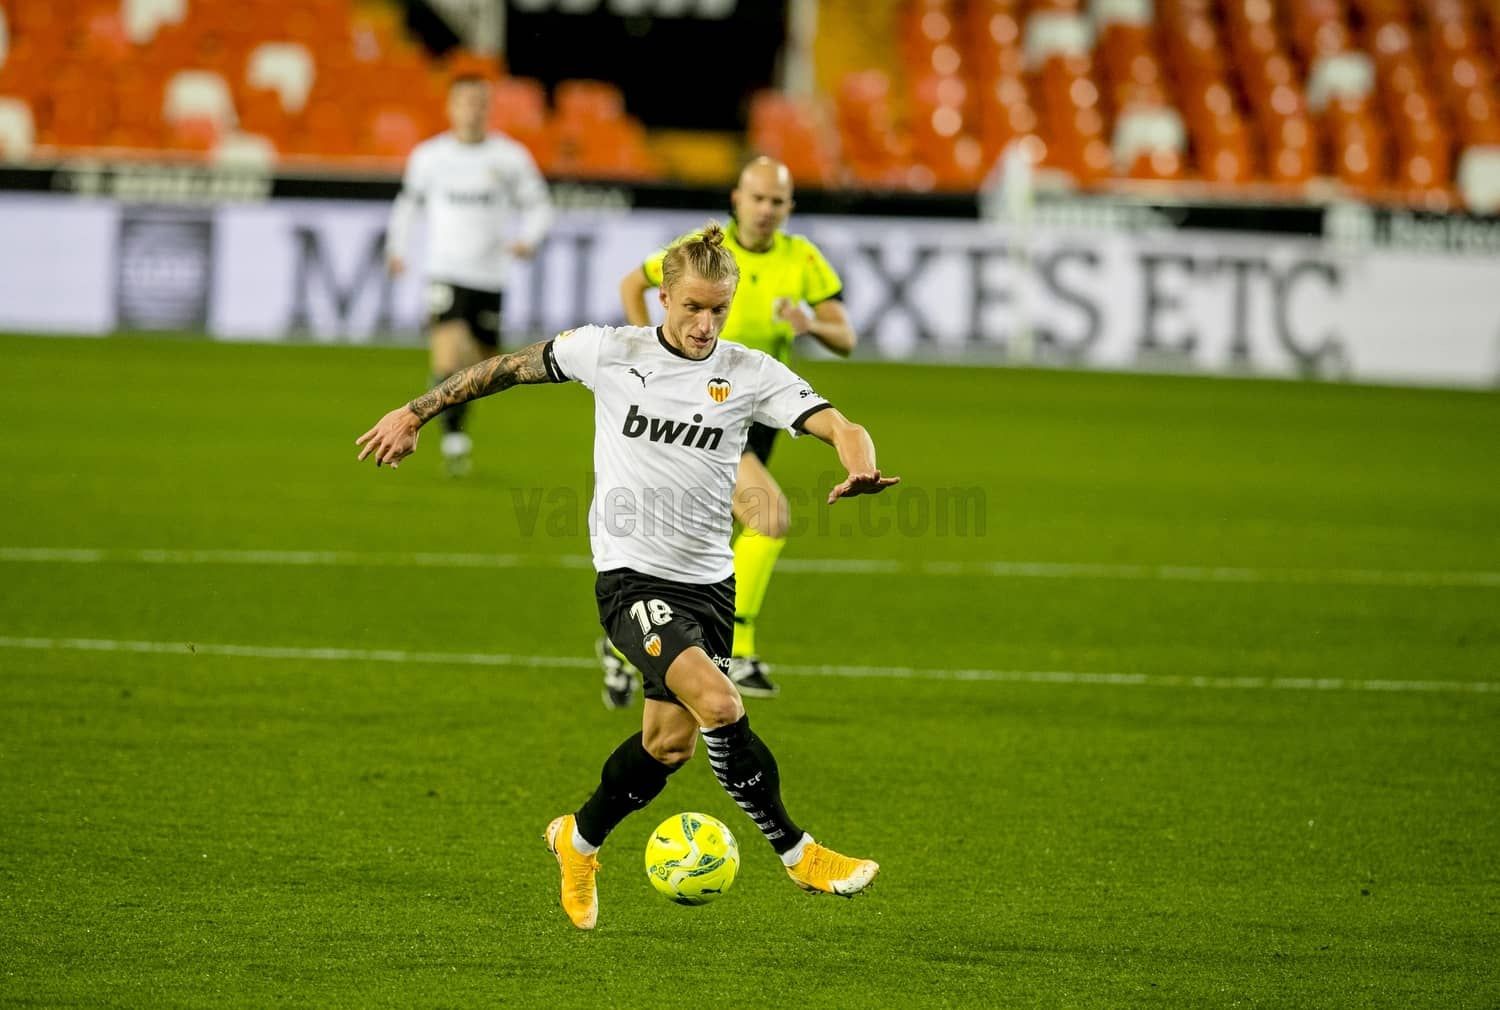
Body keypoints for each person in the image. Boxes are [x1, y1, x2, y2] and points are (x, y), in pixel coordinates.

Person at [356, 224, 897, 930]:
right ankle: (798, 853)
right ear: (662, 296)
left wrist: (858, 461)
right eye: (693, 307)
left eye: (719, 310)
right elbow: (508, 368)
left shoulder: (750, 372)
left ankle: (576, 842)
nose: (705, 325)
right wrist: (416, 410)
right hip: (631, 581)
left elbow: (838, 423)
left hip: (709, 585)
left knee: (667, 745)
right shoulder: (610, 350)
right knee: (722, 705)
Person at [601, 156, 855, 706]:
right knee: (770, 516)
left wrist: (811, 324)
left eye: (777, 201)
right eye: (757, 197)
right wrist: (648, 350)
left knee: (701, 540)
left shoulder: (803, 259)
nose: (766, 210)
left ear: (789, 207)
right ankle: (736, 647)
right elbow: (634, 281)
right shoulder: (704, 254)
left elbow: (847, 337)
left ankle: (628, 644)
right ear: (736, 197)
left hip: (756, 415)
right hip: (700, 420)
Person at [386, 74, 553, 476]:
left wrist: (529, 239)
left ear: (488, 108)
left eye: (479, 103)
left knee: (480, 362)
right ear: (450, 107)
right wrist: (397, 248)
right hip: (444, 270)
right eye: (464, 102)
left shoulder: (509, 157)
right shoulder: (429, 156)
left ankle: (451, 409)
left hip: (490, 276)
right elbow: (408, 205)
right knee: (448, 349)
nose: (472, 110)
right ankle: (453, 437)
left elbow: (540, 205)